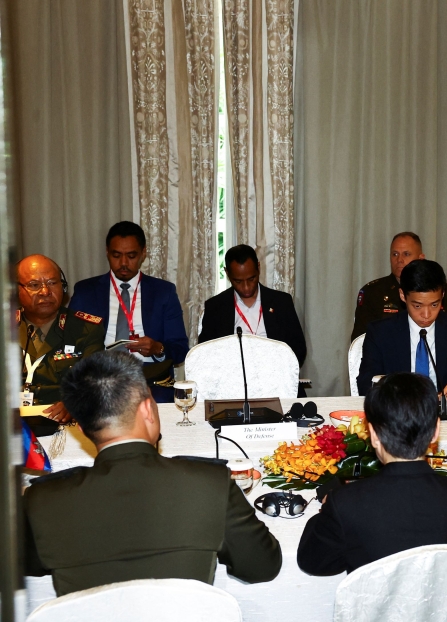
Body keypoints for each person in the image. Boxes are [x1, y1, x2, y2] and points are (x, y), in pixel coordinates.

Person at [23, 352, 282, 596]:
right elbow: (260, 567)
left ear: (80, 426)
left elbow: (25, 564)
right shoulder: (209, 483)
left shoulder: (44, 499)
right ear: (147, 410)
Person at [298, 372, 447, 622]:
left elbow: (312, 561)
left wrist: (327, 506)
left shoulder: (348, 503)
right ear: (436, 431)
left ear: (372, 434)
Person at [68, 221, 190, 401]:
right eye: (117, 255)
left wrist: (157, 348)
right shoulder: (86, 291)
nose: (123, 263)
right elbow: (71, 345)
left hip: (150, 381)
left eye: (131, 256)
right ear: (107, 252)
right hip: (101, 380)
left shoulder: (163, 292)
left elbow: (180, 349)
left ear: (143, 253)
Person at [356, 259, 447, 398]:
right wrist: (396, 387)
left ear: (442, 295)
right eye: (417, 306)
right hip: (399, 412)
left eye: (434, 305)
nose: (426, 315)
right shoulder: (380, 332)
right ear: (402, 295)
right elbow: (365, 383)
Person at [17, 255, 105, 423]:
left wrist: (75, 401)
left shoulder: (86, 328)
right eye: (34, 285)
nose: (45, 292)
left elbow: (95, 381)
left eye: (52, 283)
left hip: (64, 422)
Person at [198, 244, 307, 366]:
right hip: (232, 379)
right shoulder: (216, 307)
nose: (246, 287)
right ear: (227, 273)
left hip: (274, 376)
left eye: (251, 279)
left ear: (258, 268)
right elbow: (205, 354)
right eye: (238, 281)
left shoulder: (281, 302)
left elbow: (298, 350)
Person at [350, 231, 447, 340]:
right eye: (395, 254)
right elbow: (360, 340)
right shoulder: (373, 292)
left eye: (406, 254)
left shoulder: (438, 288)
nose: (399, 260)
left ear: (421, 258)